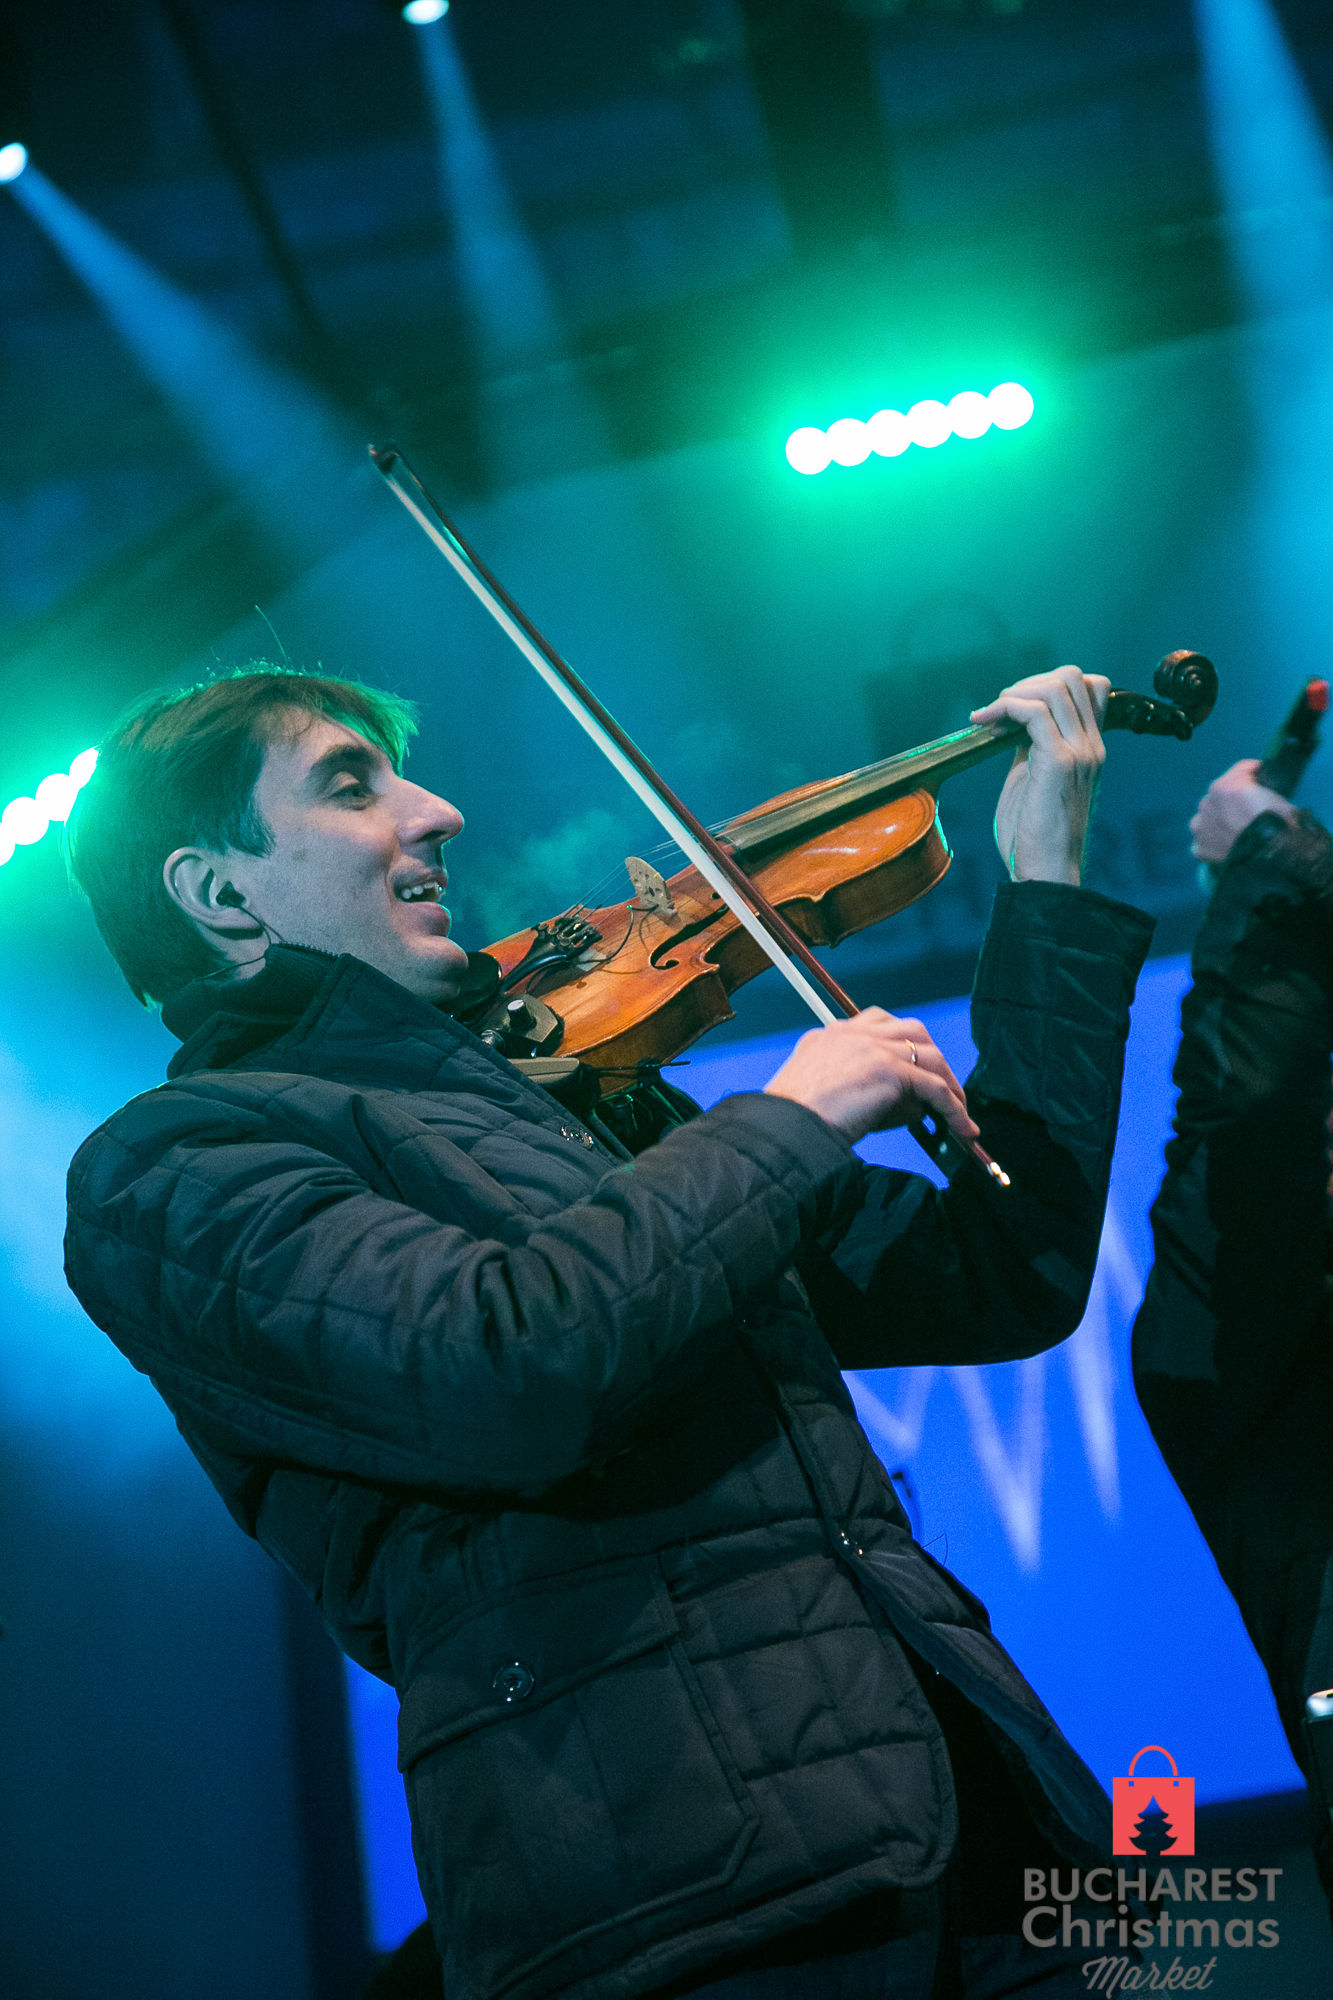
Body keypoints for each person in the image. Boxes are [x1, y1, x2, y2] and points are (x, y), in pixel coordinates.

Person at [64, 661, 1152, 2000]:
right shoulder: (179, 1163)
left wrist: (1046, 886)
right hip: (688, 1896)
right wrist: (788, 1121)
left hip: (971, 1813)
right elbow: (502, 1366)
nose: (438, 812)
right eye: (351, 788)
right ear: (217, 892)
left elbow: (1001, 1271)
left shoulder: (564, 1096)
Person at [1133, 756, 1333, 1914]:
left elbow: (1249, 1107)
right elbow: (1247, 1112)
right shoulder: (1240, 1332)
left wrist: (1275, 869)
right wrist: (1275, 873)